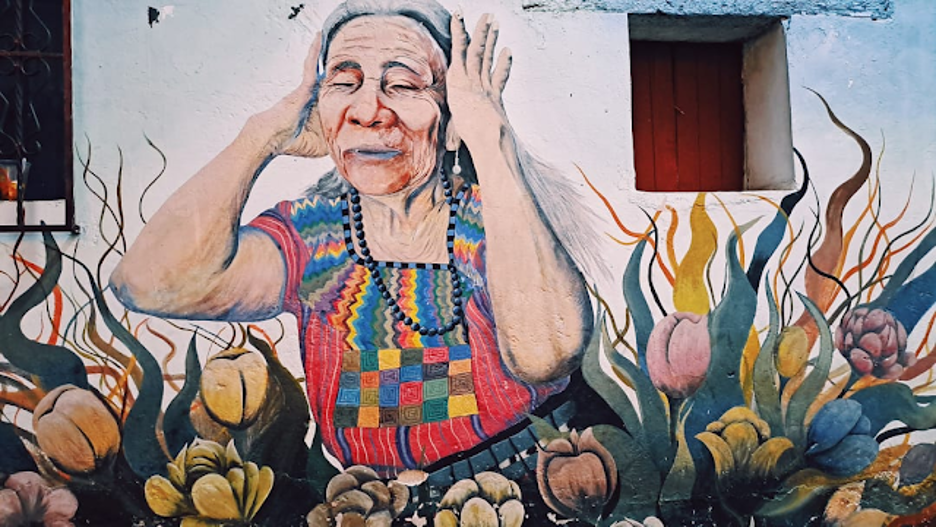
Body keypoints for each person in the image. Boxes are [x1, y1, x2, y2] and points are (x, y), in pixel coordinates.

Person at [110, 0, 593, 476]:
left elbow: (546, 355)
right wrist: (261, 137)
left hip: (524, 485)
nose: (367, 111)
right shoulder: (313, 237)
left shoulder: (497, 226)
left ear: (450, 121)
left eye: (402, 84)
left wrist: (489, 140)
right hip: (367, 502)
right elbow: (148, 283)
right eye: (343, 83)